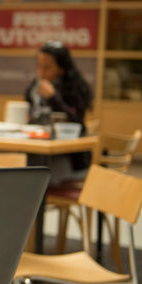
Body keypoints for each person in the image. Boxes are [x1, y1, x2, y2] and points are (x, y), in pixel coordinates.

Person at [24, 40, 93, 184]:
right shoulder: (34, 86)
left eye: (47, 68)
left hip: (67, 160)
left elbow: (77, 123)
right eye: (39, 67)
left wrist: (53, 98)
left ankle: (34, 205)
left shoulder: (75, 88)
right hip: (37, 148)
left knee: (34, 176)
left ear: (62, 68)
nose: (41, 72)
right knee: (13, 167)